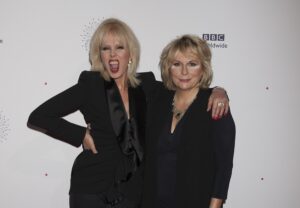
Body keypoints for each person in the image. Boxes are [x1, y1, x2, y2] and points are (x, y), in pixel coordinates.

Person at [27, 18, 229, 208]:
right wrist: (80, 135)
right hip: (91, 188)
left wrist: (218, 91)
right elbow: (39, 116)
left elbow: (185, 85)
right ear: (100, 55)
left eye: (119, 47)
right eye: (106, 48)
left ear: (130, 54)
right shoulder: (90, 86)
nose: (113, 54)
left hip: (133, 192)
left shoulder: (147, 86)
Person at [141, 35, 235, 208]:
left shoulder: (215, 106)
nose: (184, 72)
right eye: (176, 64)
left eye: (192, 64)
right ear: (168, 68)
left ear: (203, 67)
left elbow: (224, 168)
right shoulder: (157, 97)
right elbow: (121, 82)